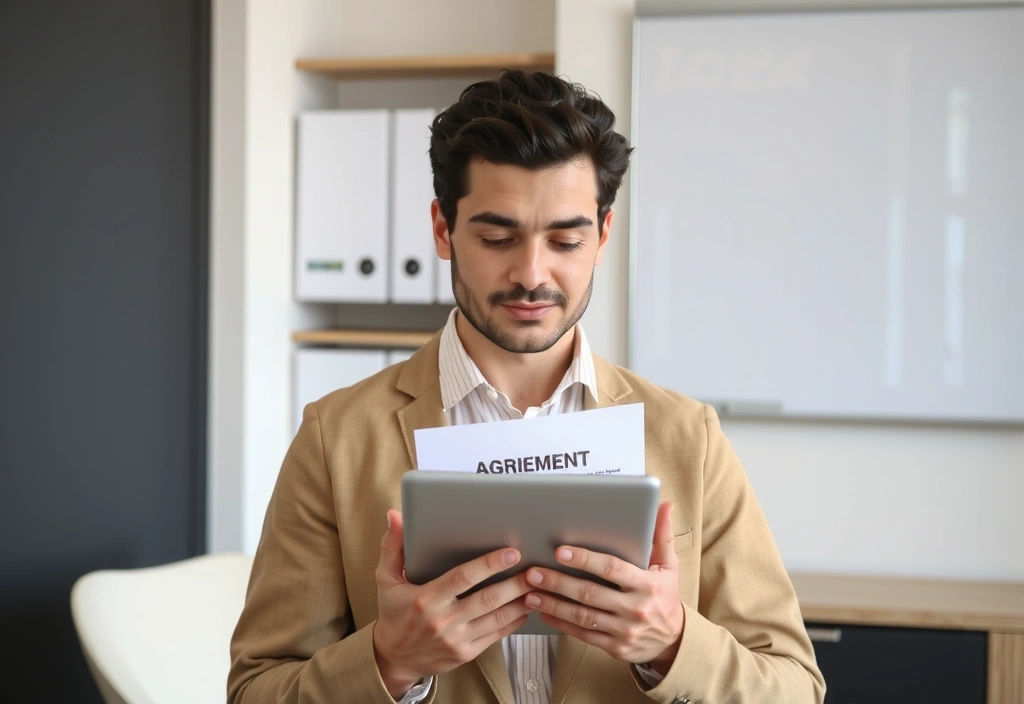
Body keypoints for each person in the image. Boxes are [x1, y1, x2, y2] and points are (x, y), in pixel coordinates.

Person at [228, 70, 825, 704]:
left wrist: (673, 643)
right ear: (442, 230)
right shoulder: (336, 440)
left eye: (565, 239)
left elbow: (793, 687)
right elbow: (257, 690)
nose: (531, 274)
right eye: (497, 238)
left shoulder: (687, 438)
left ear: (602, 237)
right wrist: (389, 662)